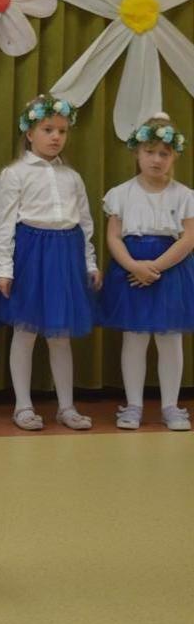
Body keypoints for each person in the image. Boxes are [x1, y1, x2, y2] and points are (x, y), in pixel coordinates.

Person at [0, 94, 101, 431]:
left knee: (60, 335)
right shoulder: (14, 173)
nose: (56, 137)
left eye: (62, 131)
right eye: (48, 129)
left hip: (65, 255)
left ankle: (66, 406)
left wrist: (90, 263)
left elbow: (85, 224)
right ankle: (23, 406)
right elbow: (4, 224)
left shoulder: (72, 177)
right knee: (25, 332)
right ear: (29, 133)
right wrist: (5, 268)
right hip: (31, 254)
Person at [99, 114, 194, 431]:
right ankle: (133, 406)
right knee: (135, 337)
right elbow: (114, 237)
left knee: (170, 339)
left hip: (171, 271)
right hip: (131, 272)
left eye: (164, 153)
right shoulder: (121, 193)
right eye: (149, 152)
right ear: (137, 153)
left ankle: (171, 406)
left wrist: (155, 266)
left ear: (174, 156)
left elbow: (188, 239)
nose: (156, 159)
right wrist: (134, 266)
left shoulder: (184, 195)